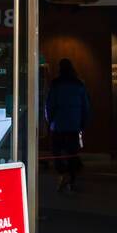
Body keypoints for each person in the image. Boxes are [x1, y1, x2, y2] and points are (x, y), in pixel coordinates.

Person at [46, 58, 91, 193]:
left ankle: (62, 173)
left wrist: (50, 121)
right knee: (72, 152)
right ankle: (71, 178)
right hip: (74, 124)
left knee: (56, 152)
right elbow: (86, 106)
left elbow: (49, 105)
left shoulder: (55, 84)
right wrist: (83, 123)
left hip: (58, 124)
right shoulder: (79, 84)